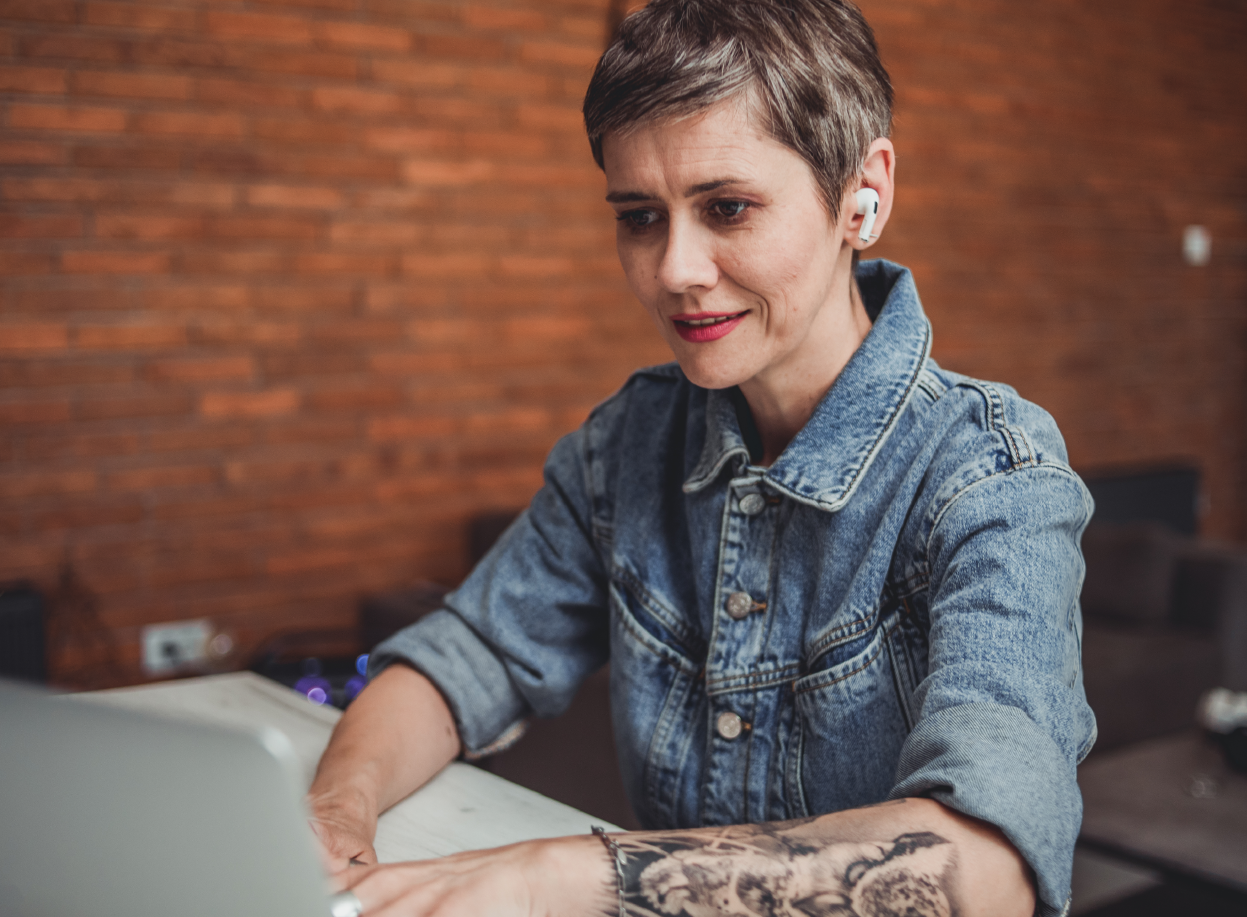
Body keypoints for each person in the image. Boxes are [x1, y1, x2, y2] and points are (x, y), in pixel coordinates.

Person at [306, 1, 1096, 914]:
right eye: (640, 217)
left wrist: (568, 872)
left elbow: (990, 868)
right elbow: (466, 657)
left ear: (863, 193)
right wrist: (335, 809)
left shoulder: (992, 474)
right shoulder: (626, 442)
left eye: (727, 207)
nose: (675, 268)